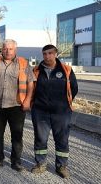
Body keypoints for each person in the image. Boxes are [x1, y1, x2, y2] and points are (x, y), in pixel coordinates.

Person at [30, 44, 78, 178]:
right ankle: (40, 164)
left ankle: (61, 166)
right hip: (40, 111)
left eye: (50, 53)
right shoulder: (36, 70)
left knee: (62, 139)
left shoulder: (66, 70)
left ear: (56, 54)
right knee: (40, 138)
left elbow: (74, 88)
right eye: (44, 54)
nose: (47, 56)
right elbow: (31, 89)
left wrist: (63, 103)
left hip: (62, 112)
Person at [0, 39, 34, 172]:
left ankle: (16, 162)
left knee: (17, 136)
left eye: (10, 49)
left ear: (15, 50)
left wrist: (27, 100)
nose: (8, 51)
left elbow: (31, 83)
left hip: (17, 106)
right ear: (2, 49)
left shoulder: (24, 63)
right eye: (5, 49)